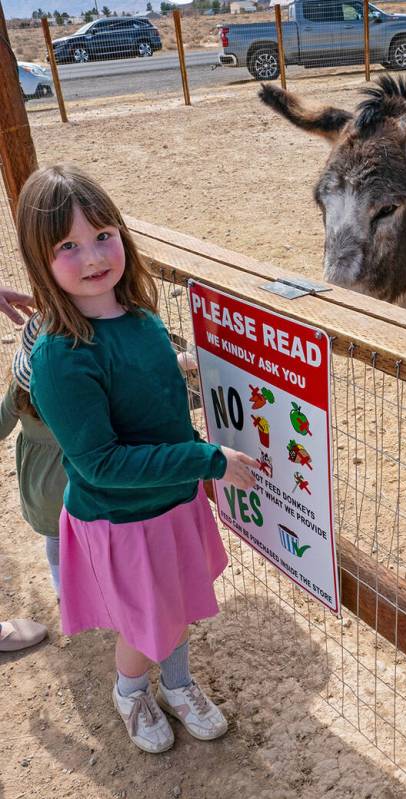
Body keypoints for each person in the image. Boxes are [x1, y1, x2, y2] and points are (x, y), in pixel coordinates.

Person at [17, 164, 260, 754]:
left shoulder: (144, 320)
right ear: (41, 260)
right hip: (123, 518)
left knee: (174, 605)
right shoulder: (60, 355)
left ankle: (176, 685)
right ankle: (131, 692)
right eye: (68, 246)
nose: (94, 256)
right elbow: (100, 463)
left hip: (172, 503)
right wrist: (207, 460)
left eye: (103, 235)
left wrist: (177, 368)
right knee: (145, 622)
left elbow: (142, 391)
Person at [0, 312, 67, 599]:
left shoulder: (19, 391)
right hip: (82, 478)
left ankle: (62, 587)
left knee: (55, 537)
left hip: (41, 484)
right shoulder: (81, 392)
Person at [0, 286, 49, 654]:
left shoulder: (19, 392)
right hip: (83, 490)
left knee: (57, 544)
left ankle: (68, 593)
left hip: (39, 490)